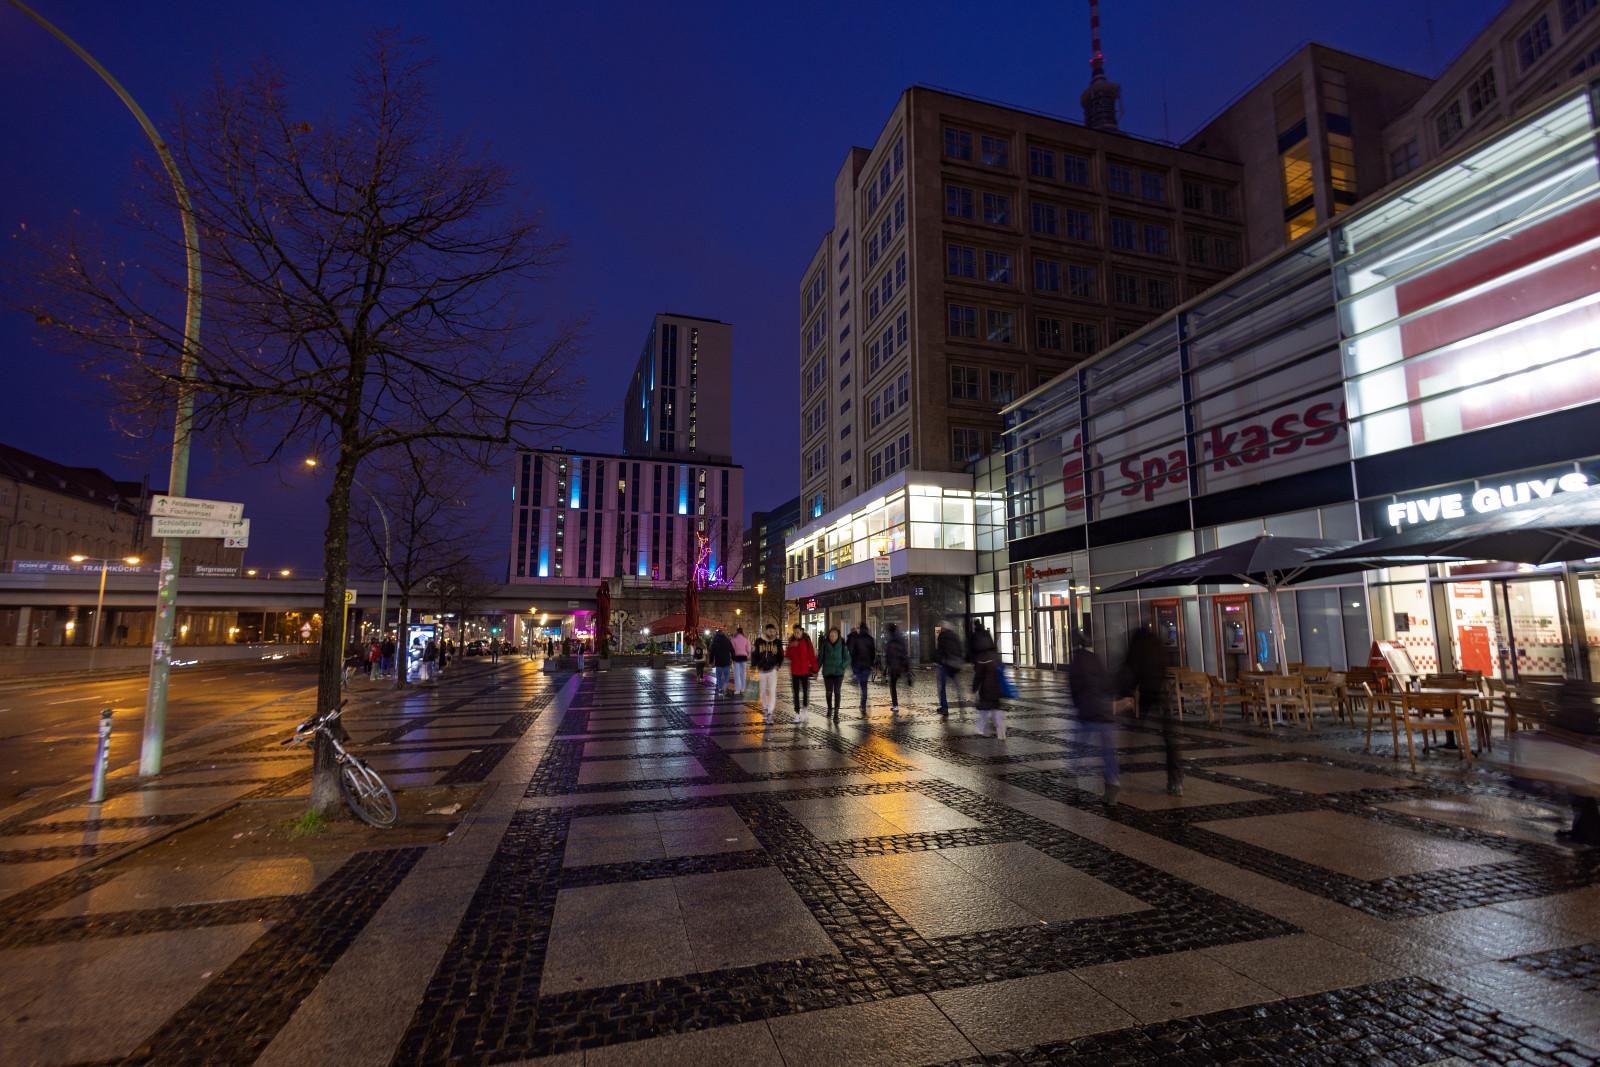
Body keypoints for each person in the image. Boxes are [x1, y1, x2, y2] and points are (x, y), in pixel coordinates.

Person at [1119, 625, 1181, 796]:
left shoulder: (1138, 645)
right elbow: (1166, 664)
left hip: (1146, 692)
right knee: (1168, 738)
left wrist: (1128, 692)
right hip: (1160, 694)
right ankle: (1175, 779)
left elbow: (1131, 668)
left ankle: (1128, 762)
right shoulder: (1156, 644)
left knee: (1135, 729)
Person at [1068, 636, 1119, 800]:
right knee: (1108, 749)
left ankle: (1072, 771)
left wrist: (1078, 705)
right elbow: (1106, 682)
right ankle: (1112, 781)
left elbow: (1074, 688)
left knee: (1079, 742)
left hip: (1087, 710)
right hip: (1104, 710)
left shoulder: (1076, 662)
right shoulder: (1095, 659)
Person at [969, 628, 1005, 738]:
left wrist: (974, 689)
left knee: (983, 710)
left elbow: (978, 676)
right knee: (996, 710)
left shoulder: (982, 658)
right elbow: (1002, 669)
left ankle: (979, 728)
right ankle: (1001, 731)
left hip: (986, 688)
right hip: (996, 687)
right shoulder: (995, 656)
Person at [786, 624, 819, 726]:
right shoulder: (791, 641)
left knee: (805, 691)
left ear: (802, 631)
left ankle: (805, 707)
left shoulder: (807, 641)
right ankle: (797, 713)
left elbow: (812, 656)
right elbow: (787, 655)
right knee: (795, 693)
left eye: (798, 632)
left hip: (805, 671)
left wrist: (815, 670)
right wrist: (791, 646)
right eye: (794, 632)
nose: (796, 634)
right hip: (795, 671)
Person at [752, 623, 786, 723]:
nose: (772, 633)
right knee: (762, 691)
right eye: (770, 631)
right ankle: (765, 708)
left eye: (774, 632)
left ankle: (770, 712)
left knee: (772, 691)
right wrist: (754, 666)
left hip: (772, 670)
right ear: (766, 631)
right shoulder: (758, 642)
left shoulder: (778, 643)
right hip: (762, 670)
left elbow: (781, 656)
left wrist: (777, 666)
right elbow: (754, 654)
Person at [818, 626, 850, 722]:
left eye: (834, 635)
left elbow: (848, 658)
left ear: (838, 636)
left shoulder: (842, 645)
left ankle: (836, 713)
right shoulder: (824, 645)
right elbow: (820, 658)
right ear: (828, 636)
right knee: (829, 692)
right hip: (827, 673)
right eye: (831, 635)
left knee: (837, 692)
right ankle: (829, 708)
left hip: (838, 673)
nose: (832, 637)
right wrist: (815, 670)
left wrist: (842, 666)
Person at [847, 622, 876, 717]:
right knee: (864, 685)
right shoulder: (870, 639)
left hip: (858, 665)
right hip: (867, 665)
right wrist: (871, 663)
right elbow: (873, 652)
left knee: (862, 684)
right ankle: (863, 703)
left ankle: (863, 703)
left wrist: (853, 661)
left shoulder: (857, 638)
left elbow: (852, 651)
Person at [936, 620, 964, 718]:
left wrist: (938, 661)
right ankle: (961, 701)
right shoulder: (955, 636)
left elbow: (940, 651)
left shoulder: (942, 636)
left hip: (944, 665)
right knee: (957, 685)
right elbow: (960, 650)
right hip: (954, 664)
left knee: (941, 687)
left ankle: (944, 708)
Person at [884, 623, 911, 713]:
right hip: (901, 665)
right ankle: (908, 703)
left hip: (893, 667)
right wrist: (906, 668)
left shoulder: (890, 640)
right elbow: (904, 653)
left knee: (893, 686)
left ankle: (895, 705)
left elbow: (888, 655)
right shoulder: (900, 639)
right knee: (901, 685)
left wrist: (887, 667)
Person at [708, 627, 735, 696]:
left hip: (718, 662)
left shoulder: (714, 642)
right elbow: (732, 650)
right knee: (726, 675)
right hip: (726, 660)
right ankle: (725, 685)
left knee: (719, 676)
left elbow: (711, 652)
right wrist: (733, 658)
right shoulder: (727, 641)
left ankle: (720, 689)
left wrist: (710, 661)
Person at [730, 626, 752, 696]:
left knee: (737, 674)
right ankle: (743, 689)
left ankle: (737, 690)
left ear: (737, 632)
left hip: (736, 658)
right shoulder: (746, 640)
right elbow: (749, 650)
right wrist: (747, 655)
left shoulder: (733, 640)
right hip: (743, 657)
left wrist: (732, 657)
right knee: (743, 673)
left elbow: (731, 650)